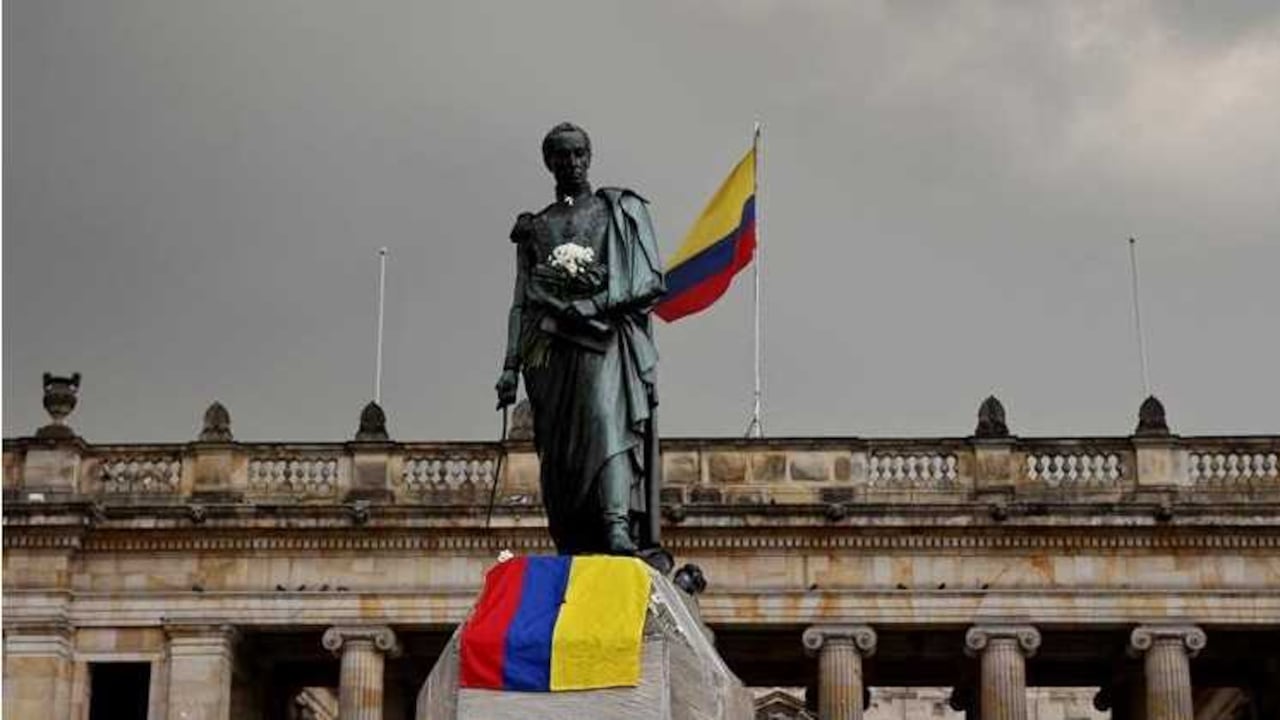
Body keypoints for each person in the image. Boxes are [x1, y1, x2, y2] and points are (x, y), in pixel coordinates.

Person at [495, 122, 665, 556]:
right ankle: (573, 533)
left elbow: (649, 280)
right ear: (548, 162)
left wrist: (593, 305)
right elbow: (521, 301)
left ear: (589, 157)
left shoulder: (618, 210)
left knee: (605, 426)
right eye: (561, 155)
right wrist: (510, 367)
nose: (570, 163)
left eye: (577, 154)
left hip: (605, 341)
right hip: (551, 351)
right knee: (560, 454)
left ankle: (615, 526)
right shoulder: (536, 227)